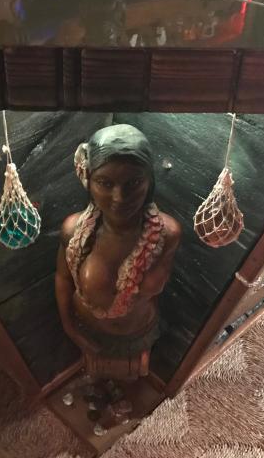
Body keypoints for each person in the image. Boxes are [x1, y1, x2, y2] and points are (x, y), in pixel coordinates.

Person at [55, 124, 181, 382]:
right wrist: (69, 329)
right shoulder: (74, 231)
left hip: (140, 332)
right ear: (88, 180)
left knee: (134, 375)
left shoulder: (168, 234)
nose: (120, 197)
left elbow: (157, 294)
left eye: (133, 182)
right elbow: (63, 279)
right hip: (86, 329)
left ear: (149, 181)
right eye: (105, 182)